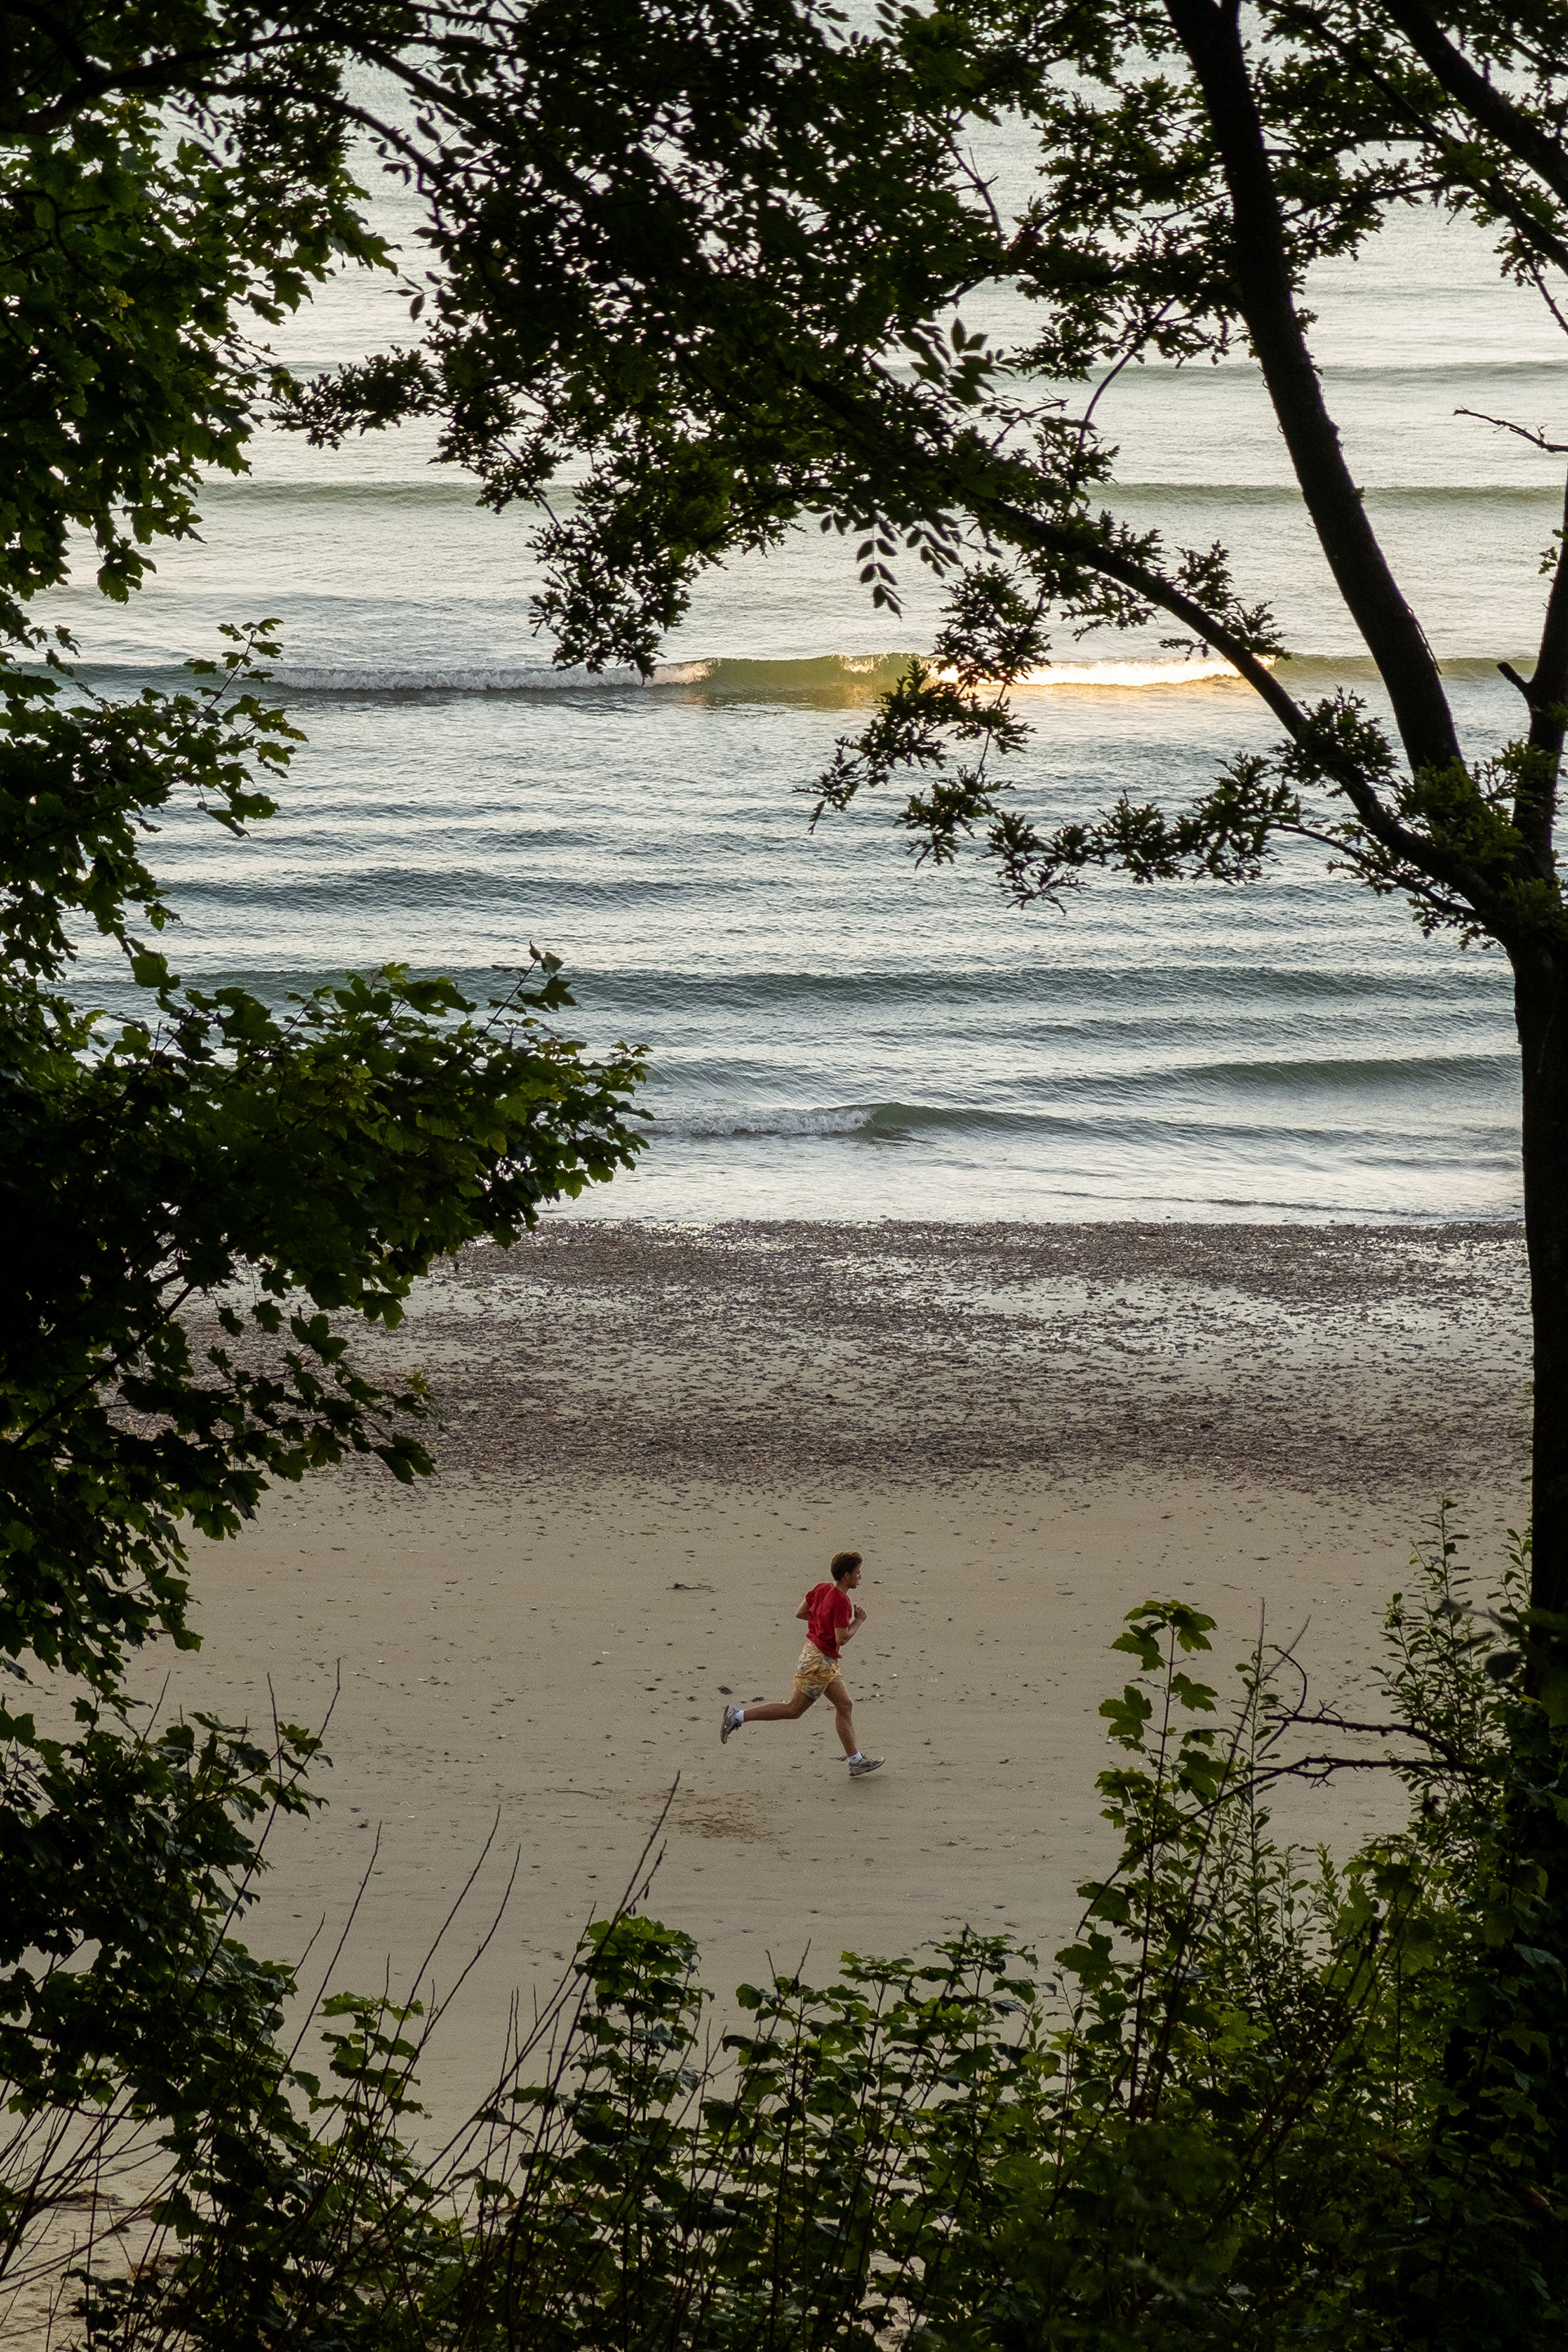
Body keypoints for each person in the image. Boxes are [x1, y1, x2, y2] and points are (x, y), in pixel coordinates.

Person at [719, 1549, 884, 1776]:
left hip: (818, 1655)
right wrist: (859, 1621)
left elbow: (801, 1612)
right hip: (820, 1662)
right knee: (794, 1709)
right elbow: (842, 1638)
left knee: (845, 1705)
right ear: (846, 1575)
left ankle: (855, 1760)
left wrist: (821, 1623)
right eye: (857, 1572)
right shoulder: (842, 1601)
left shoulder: (822, 1588)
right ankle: (737, 1716)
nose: (860, 1576)